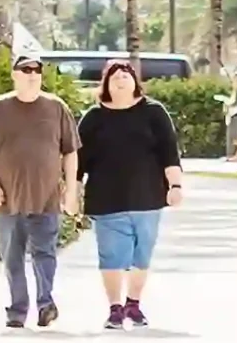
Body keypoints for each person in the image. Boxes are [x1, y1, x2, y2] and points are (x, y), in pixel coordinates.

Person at [0, 49, 79, 329]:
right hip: (8, 198)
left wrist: (71, 191)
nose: (32, 76)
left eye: (36, 71)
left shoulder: (56, 108)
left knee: (46, 253)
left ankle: (46, 304)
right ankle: (17, 310)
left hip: (47, 197)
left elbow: (70, 152)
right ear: (14, 75)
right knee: (12, 257)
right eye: (26, 70)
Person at [78, 59, 183, 328]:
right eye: (115, 76)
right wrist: (72, 190)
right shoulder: (93, 118)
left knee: (141, 254)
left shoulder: (154, 113)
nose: (121, 79)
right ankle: (114, 308)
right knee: (111, 255)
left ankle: (133, 304)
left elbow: (169, 153)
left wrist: (176, 186)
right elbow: (79, 161)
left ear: (136, 82)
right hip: (105, 198)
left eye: (126, 74)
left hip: (147, 197)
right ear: (106, 84)